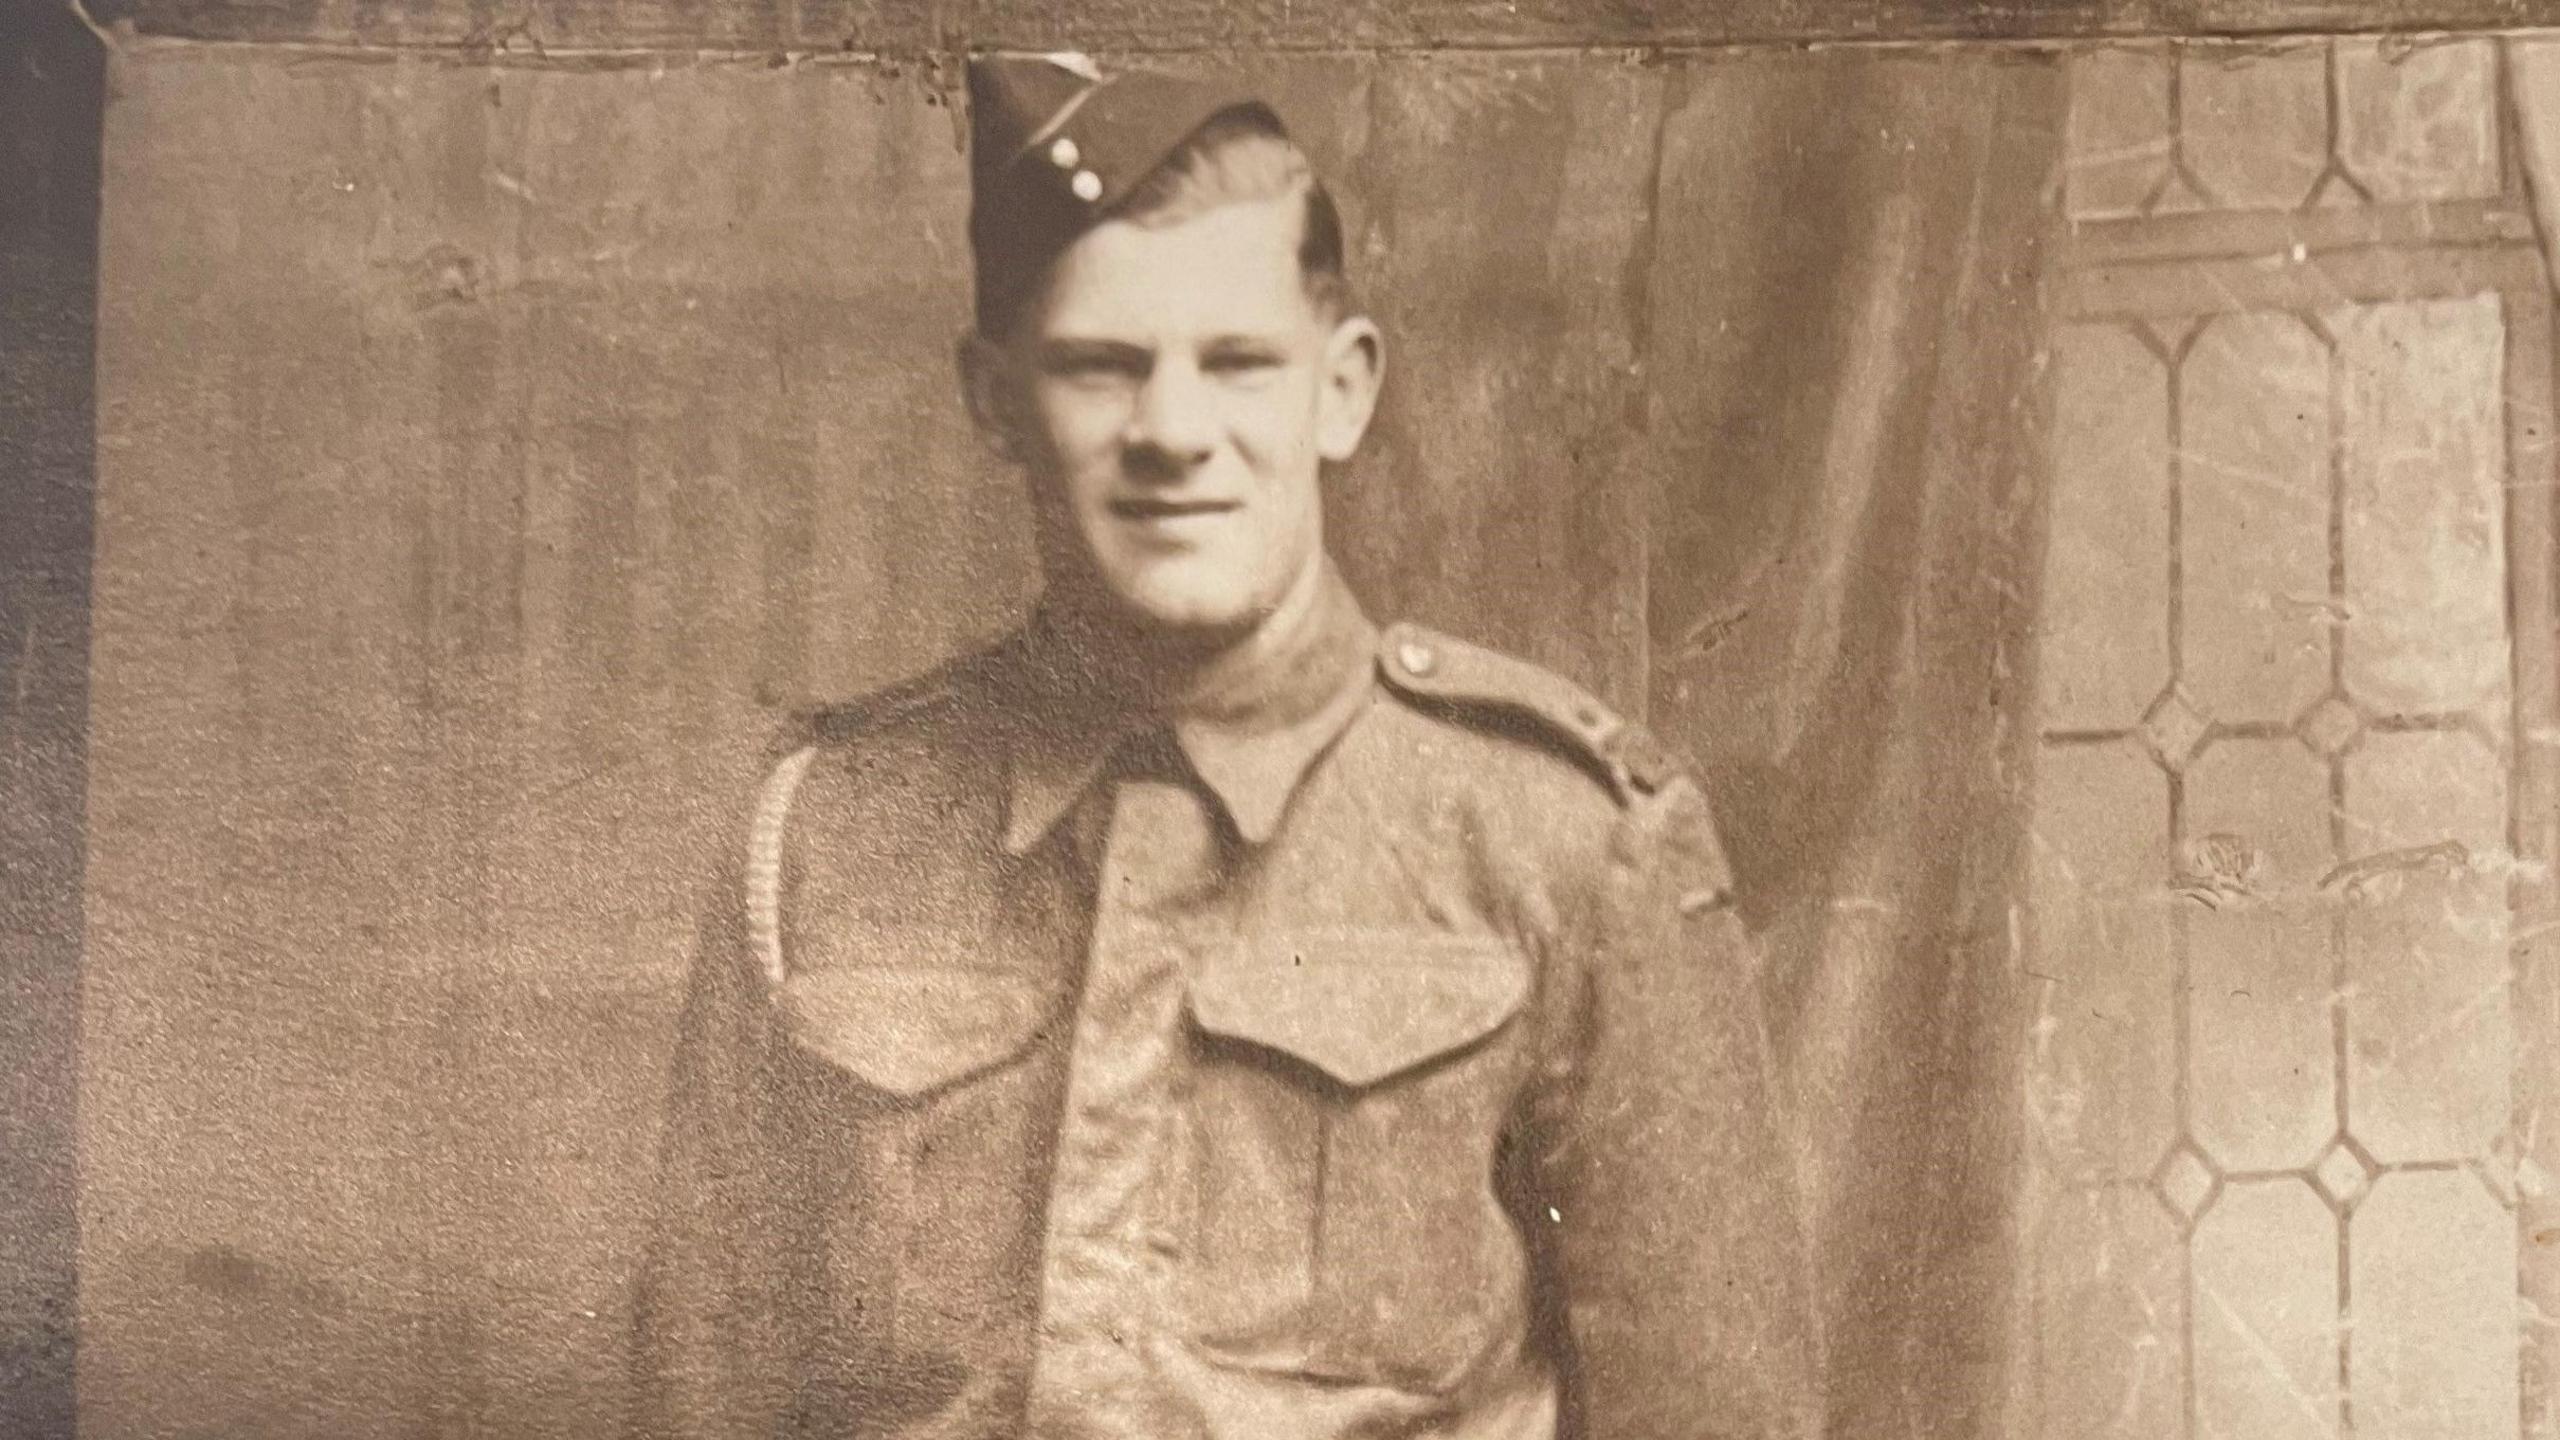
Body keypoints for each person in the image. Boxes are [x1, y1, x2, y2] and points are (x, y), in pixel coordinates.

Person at [631, 51, 1820, 1440]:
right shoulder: (828, 832)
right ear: (996, 398)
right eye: (1100, 368)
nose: (1175, 433)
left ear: (1343, 389)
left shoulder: (1565, 843)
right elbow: (698, 1403)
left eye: (1239, 364)